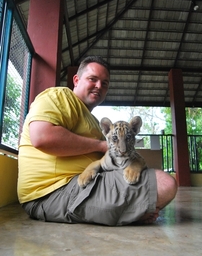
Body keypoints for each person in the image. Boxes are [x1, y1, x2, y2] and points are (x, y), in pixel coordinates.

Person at [17, 55, 178, 226]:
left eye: (105, 83)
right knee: (164, 183)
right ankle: (132, 212)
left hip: (80, 185)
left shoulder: (92, 120)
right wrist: (102, 145)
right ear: (76, 80)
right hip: (52, 192)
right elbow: (42, 137)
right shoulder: (60, 96)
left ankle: (131, 210)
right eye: (92, 79)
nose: (99, 86)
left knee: (153, 181)